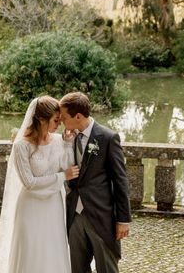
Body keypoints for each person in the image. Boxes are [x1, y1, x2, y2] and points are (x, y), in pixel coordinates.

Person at [0, 96, 79, 273]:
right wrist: (62, 177)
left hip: (53, 204)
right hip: (30, 206)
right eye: (55, 120)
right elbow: (29, 182)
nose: (59, 125)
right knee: (31, 249)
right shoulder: (21, 146)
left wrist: (69, 145)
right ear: (40, 119)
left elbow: (68, 167)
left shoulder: (59, 140)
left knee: (53, 247)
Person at [59, 92, 131, 273]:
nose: (61, 121)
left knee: (107, 268)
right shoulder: (68, 138)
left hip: (101, 216)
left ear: (78, 116)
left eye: (64, 117)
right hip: (74, 214)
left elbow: (120, 180)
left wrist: (123, 219)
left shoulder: (108, 137)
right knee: (77, 268)